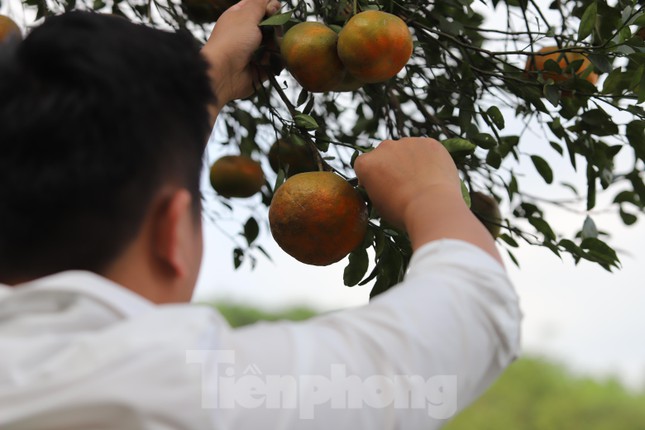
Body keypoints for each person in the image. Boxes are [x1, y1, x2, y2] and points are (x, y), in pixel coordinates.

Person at [0, 1, 521, 428]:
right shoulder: (185, 398)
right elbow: (475, 311)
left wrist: (213, 78)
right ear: (169, 233)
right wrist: (429, 191)